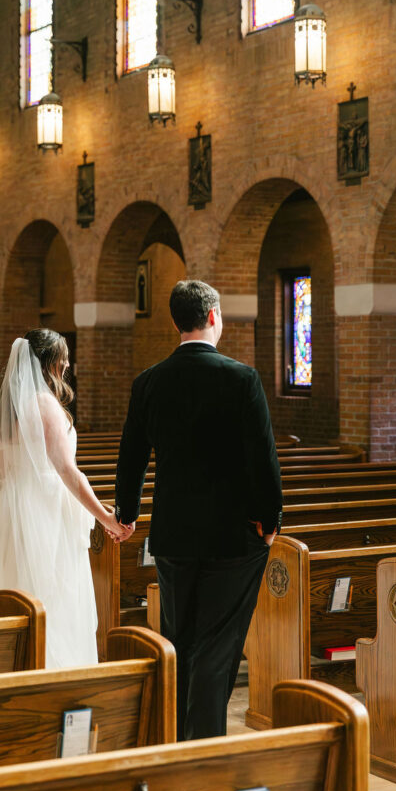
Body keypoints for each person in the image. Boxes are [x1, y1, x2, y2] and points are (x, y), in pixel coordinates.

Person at [115, 279, 282, 740]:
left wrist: (126, 515)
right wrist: (270, 523)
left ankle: (174, 735)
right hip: (232, 536)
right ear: (213, 317)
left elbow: (131, 458)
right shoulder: (241, 378)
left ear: (174, 322)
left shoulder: (148, 382)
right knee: (216, 644)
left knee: (179, 639)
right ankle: (203, 746)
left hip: (173, 534)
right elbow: (263, 460)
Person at [0, 329, 127, 668]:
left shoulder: (12, 408)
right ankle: (47, 671)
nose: (69, 363)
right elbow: (68, 472)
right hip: (44, 514)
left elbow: (7, 460)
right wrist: (106, 518)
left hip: (13, 510)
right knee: (50, 596)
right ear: (49, 362)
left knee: (9, 587)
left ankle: (1, 664)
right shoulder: (44, 405)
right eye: (64, 357)